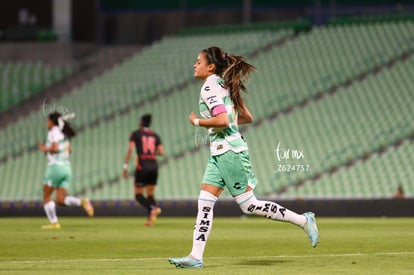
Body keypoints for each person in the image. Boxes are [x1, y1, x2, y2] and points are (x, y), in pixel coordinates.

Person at [169, 46, 319, 268]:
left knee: (249, 206)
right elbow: (246, 117)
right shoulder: (224, 85)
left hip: (230, 152)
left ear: (210, 66)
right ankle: (195, 256)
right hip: (219, 154)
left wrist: (197, 122)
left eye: (198, 61)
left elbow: (222, 121)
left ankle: (304, 220)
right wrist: (226, 120)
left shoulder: (210, 86)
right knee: (204, 203)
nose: (194, 64)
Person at [38, 112, 94, 229]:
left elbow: (54, 148)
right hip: (67, 168)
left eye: (48, 121)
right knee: (60, 200)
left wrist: (44, 148)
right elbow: (69, 150)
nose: (47, 123)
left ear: (52, 122)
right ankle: (82, 201)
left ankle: (54, 223)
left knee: (46, 195)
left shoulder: (53, 132)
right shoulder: (64, 133)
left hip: (55, 167)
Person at [123, 114, 164, 226]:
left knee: (138, 195)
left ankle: (153, 208)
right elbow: (161, 152)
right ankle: (150, 218)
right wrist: (151, 153)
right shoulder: (155, 135)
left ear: (141, 122)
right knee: (150, 194)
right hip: (154, 165)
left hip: (142, 165)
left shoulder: (135, 134)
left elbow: (130, 149)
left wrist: (125, 166)